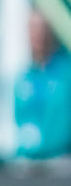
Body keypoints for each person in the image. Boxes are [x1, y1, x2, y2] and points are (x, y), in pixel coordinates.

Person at [13, 11, 71, 164]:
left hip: (60, 158)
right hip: (28, 158)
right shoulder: (24, 77)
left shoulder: (65, 73)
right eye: (33, 30)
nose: (38, 36)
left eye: (42, 30)